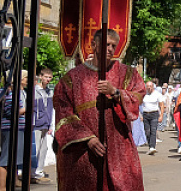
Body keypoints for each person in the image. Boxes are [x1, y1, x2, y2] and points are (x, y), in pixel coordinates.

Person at [53, 28, 145, 191]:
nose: (110, 49)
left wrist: (116, 92)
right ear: (94, 44)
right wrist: (88, 138)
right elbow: (64, 112)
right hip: (84, 149)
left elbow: (137, 97)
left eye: (113, 45)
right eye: (106, 44)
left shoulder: (127, 73)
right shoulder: (72, 78)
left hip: (119, 145)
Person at [0, 70, 28, 189]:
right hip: (11, 128)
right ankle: (2, 187)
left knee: (12, 158)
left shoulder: (12, 92)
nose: (27, 80)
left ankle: (11, 182)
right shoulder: (11, 93)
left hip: (14, 128)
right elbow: (12, 112)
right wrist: (27, 108)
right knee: (5, 159)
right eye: (25, 78)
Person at [32, 67, 53, 183]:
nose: (48, 79)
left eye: (50, 77)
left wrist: (51, 125)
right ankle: (32, 172)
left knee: (44, 148)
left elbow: (50, 109)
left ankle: (39, 172)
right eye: (46, 77)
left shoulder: (50, 91)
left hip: (46, 123)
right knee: (36, 148)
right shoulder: (35, 90)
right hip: (36, 123)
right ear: (40, 77)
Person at [142, 80, 165, 155]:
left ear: (153, 87)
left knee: (153, 130)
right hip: (145, 114)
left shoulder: (157, 94)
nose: (149, 88)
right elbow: (139, 105)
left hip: (154, 114)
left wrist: (161, 116)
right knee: (147, 131)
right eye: (147, 86)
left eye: (150, 86)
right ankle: (150, 145)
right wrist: (140, 115)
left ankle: (152, 147)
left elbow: (161, 105)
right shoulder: (143, 94)